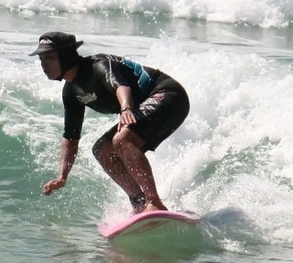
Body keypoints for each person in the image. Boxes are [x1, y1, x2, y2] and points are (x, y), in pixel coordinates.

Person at [31, 31, 190, 213]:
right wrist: (62, 176)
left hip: (169, 96)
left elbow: (120, 86)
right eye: (41, 59)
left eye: (49, 58)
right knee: (102, 150)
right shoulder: (71, 92)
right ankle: (140, 203)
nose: (44, 64)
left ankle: (155, 203)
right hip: (143, 107)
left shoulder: (98, 66)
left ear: (66, 56)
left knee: (122, 140)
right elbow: (71, 136)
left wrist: (126, 109)